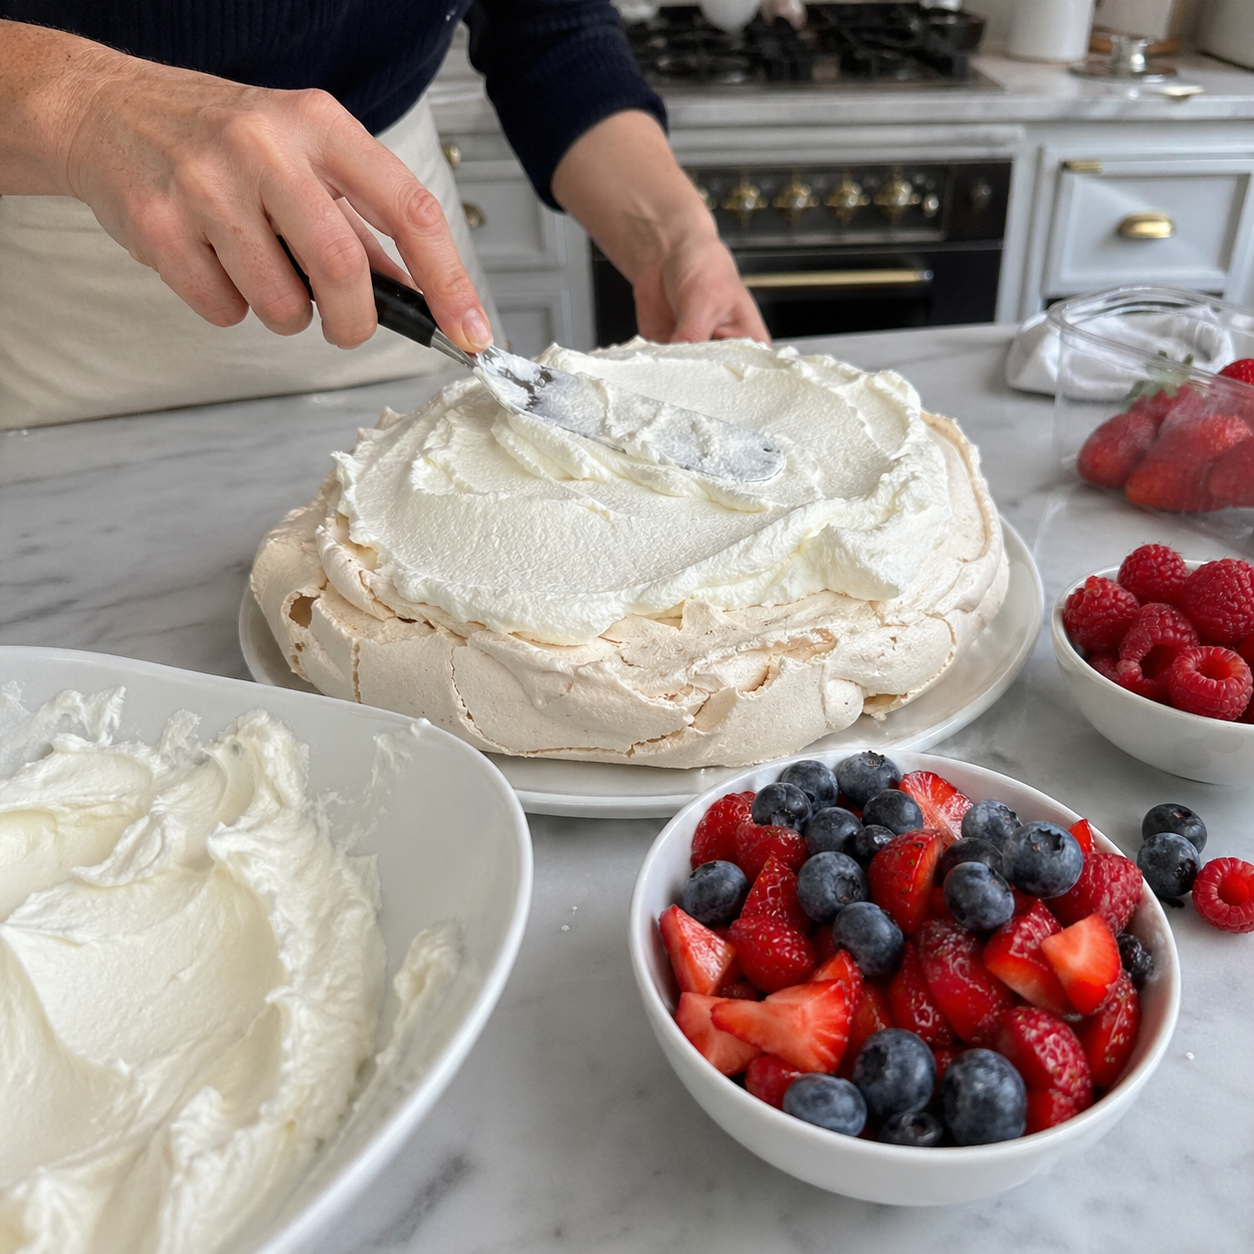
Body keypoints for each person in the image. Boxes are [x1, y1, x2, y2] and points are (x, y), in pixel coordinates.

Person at [0, 1, 767, 427]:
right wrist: (86, 108)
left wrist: (672, 234)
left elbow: (550, 28)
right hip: (56, 285)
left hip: (391, 275)